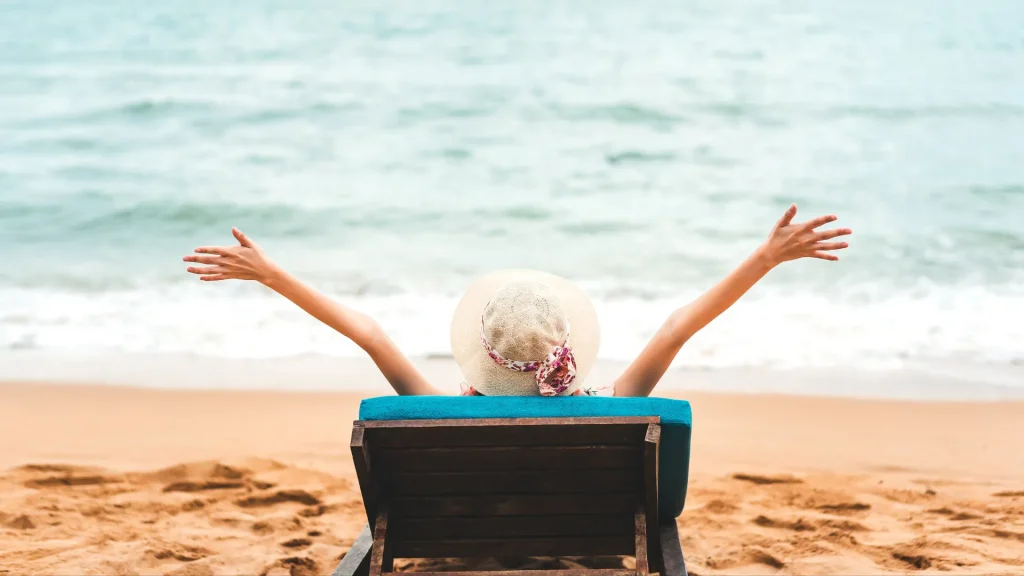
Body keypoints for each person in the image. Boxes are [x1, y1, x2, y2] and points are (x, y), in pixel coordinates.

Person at [183, 204, 850, 397]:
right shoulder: (613, 409)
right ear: (568, 347)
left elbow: (370, 334)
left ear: (483, 353)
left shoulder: (437, 418)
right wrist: (765, 259)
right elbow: (679, 329)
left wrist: (271, 275)